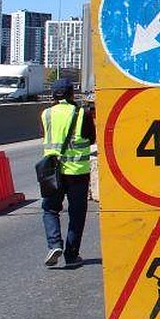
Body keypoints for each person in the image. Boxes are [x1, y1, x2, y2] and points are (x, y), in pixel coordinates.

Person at [40, 78, 95, 268]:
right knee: (77, 213)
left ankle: (54, 244)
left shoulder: (46, 114)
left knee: (50, 208)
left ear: (53, 95)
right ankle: (71, 254)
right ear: (72, 94)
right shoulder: (82, 114)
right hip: (78, 172)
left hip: (52, 172)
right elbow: (91, 138)